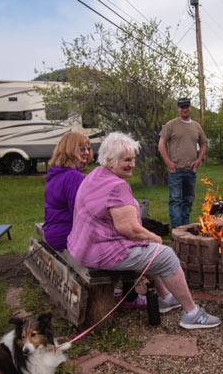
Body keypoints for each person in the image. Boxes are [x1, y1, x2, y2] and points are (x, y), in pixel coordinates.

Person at [68, 132, 221, 330]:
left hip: (85, 246)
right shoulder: (117, 186)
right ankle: (191, 313)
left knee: (149, 250)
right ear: (110, 161)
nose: (132, 164)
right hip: (99, 252)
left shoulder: (95, 176)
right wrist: (154, 237)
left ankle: (166, 298)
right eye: (126, 160)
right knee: (165, 254)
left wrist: (147, 240)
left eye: (133, 159)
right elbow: (130, 230)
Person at [44, 131, 146, 309]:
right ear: (68, 150)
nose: (86, 152)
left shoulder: (56, 173)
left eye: (88, 148)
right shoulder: (73, 177)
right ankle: (130, 297)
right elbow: (84, 213)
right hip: (66, 235)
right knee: (126, 238)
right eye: (80, 149)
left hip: (53, 231)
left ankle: (126, 292)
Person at [157, 97, 207, 229]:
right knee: (176, 201)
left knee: (188, 200)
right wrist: (168, 163)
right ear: (178, 109)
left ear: (190, 107)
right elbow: (161, 144)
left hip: (191, 170)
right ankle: (177, 231)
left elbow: (203, 143)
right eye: (182, 107)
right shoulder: (171, 125)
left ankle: (185, 228)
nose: (185, 109)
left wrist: (198, 161)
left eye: (187, 106)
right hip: (176, 170)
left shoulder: (196, 126)